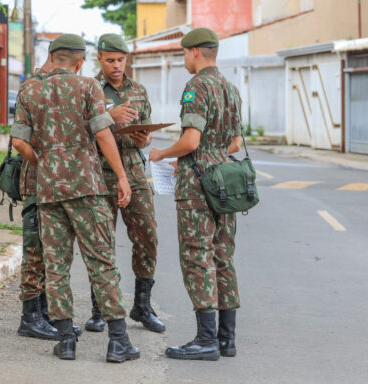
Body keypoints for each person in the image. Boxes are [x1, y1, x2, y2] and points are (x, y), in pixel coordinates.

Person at [12, 34, 139, 363]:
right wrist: (122, 176)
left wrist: (49, 164)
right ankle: (119, 341)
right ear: (81, 62)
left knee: (55, 268)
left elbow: (20, 144)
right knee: (102, 264)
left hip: (49, 191)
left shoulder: (29, 90)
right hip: (87, 189)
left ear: (52, 57)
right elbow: (101, 132)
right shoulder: (87, 87)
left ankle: (66, 340)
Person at [149, 27, 243, 361]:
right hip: (224, 183)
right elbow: (234, 143)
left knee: (197, 256)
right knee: (222, 256)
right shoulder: (230, 89)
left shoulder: (197, 86)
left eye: (184, 54)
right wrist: (205, 156)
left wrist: (163, 154)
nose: (184, 60)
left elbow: (191, 141)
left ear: (194, 53)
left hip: (198, 187)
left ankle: (205, 340)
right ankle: (225, 339)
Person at [85, 33, 165, 334]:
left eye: (120, 60)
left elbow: (145, 132)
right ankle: (99, 309)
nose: (116, 66)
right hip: (99, 172)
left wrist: (144, 138)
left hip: (133, 169)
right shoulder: (90, 88)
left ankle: (142, 306)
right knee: (100, 241)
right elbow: (80, 128)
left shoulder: (139, 91)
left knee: (147, 236)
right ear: (99, 58)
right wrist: (108, 113)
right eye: (110, 60)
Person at [12, 46, 82, 341]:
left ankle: (44, 314)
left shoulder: (52, 86)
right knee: (34, 250)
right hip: (37, 183)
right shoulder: (32, 87)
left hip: (51, 182)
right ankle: (30, 317)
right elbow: (19, 141)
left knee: (48, 250)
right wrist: (48, 164)